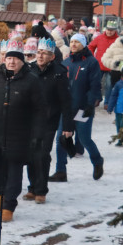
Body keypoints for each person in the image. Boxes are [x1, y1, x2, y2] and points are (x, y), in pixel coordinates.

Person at [0, 39, 46, 222]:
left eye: (15, 58)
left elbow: (39, 111)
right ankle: (1, 190)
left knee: (14, 172)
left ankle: (9, 204)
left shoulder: (31, 81)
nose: (11, 62)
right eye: (8, 57)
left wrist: (37, 135)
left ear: (22, 60)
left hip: (19, 134)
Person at [25, 37, 74, 204]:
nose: (40, 56)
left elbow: (66, 102)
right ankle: (32, 187)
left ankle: (41, 190)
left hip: (48, 120)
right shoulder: (28, 69)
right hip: (29, 119)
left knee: (42, 154)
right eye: (38, 52)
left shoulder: (59, 73)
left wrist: (68, 126)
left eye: (44, 53)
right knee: (30, 154)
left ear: (52, 57)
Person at [51, 33, 104, 183]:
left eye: (77, 42)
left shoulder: (91, 62)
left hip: (82, 108)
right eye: (72, 41)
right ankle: (60, 171)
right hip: (67, 109)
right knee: (61, 138)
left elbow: (95, 86)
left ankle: (97, 161)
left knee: (85, 138)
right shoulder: (66, 62)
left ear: (84, 44)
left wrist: (90, 104)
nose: (73, 44)